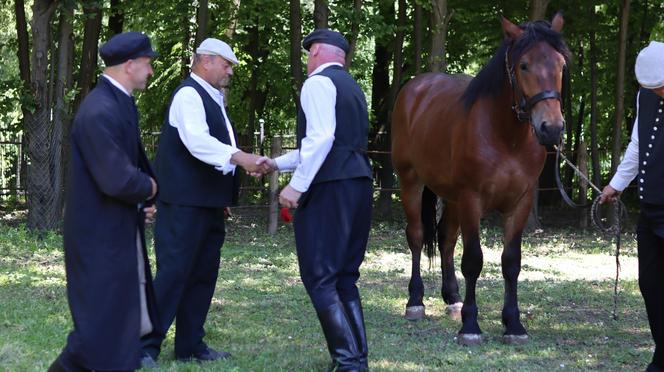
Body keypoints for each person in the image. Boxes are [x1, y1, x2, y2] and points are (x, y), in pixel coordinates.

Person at [140, 38, 266, 366]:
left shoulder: (213, 97)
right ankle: (144, 346)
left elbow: (215, 150)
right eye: (225, 63)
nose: (230, 70)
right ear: (205, 61)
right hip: (182, 203)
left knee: (203, 275)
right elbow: (197, 142)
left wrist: (227, 183)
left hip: (207, 204)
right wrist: (240, 158)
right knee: (173, 274)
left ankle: (190, 344)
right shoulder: (188, 94)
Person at [256, 29, 373, 371]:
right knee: (345, 276)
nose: (307, 60)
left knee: (320, 275)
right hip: (358, 182)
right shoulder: (352, 89)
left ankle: (348, 362)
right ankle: (358, 358)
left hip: (330, 188)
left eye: (309, 53)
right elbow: (323, 144)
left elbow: (321, 139)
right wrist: (275, 163)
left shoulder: (317, 84)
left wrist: (296, 186)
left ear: (318, 52)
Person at [48, 32, 160, 372]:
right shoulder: (99, 110)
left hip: (114, 231)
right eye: (147, 64)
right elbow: (117, 178)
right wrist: (149, 188)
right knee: (99, 327)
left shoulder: (117, 103)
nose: (151, 72)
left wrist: (142, 200)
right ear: (129, 65)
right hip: (97, 237)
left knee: (114, 323)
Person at [600, 40, 664, 372]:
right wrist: (616, 184)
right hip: (651, 208)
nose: (658, 93)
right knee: (650, 285)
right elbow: (639, 144)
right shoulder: (646, 96)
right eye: (653, 88)